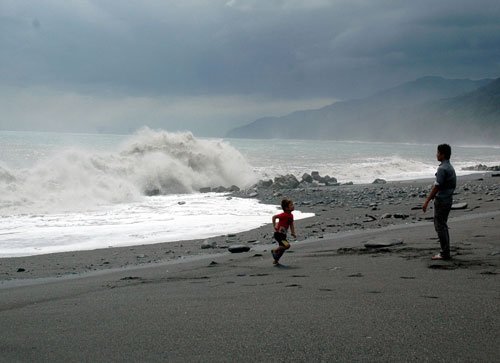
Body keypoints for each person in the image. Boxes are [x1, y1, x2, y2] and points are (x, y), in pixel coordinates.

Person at [422, 144, 457, 260]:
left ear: (442, 154)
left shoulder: (442, 169)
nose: (436, 155)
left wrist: (427, 200)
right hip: (448, 199)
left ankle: (444, 252)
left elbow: (437, 186)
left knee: (440, 226)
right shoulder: (450, 167)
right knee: (443, 225)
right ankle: (445, 250)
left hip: (442, 200)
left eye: (438, 153)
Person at [271, 198, 296, 265]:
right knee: (287, 246)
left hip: (283, 235)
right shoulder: (284, 215)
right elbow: (274, 217)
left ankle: (276, 260)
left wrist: (293, 232)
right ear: (286, 208)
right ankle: (274, 251)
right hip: (278, 234)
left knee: (282, 249)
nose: (293, 206)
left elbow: (291, 224)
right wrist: (274, 226)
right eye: (291, 205)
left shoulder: (291, 215)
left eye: (292, 204)